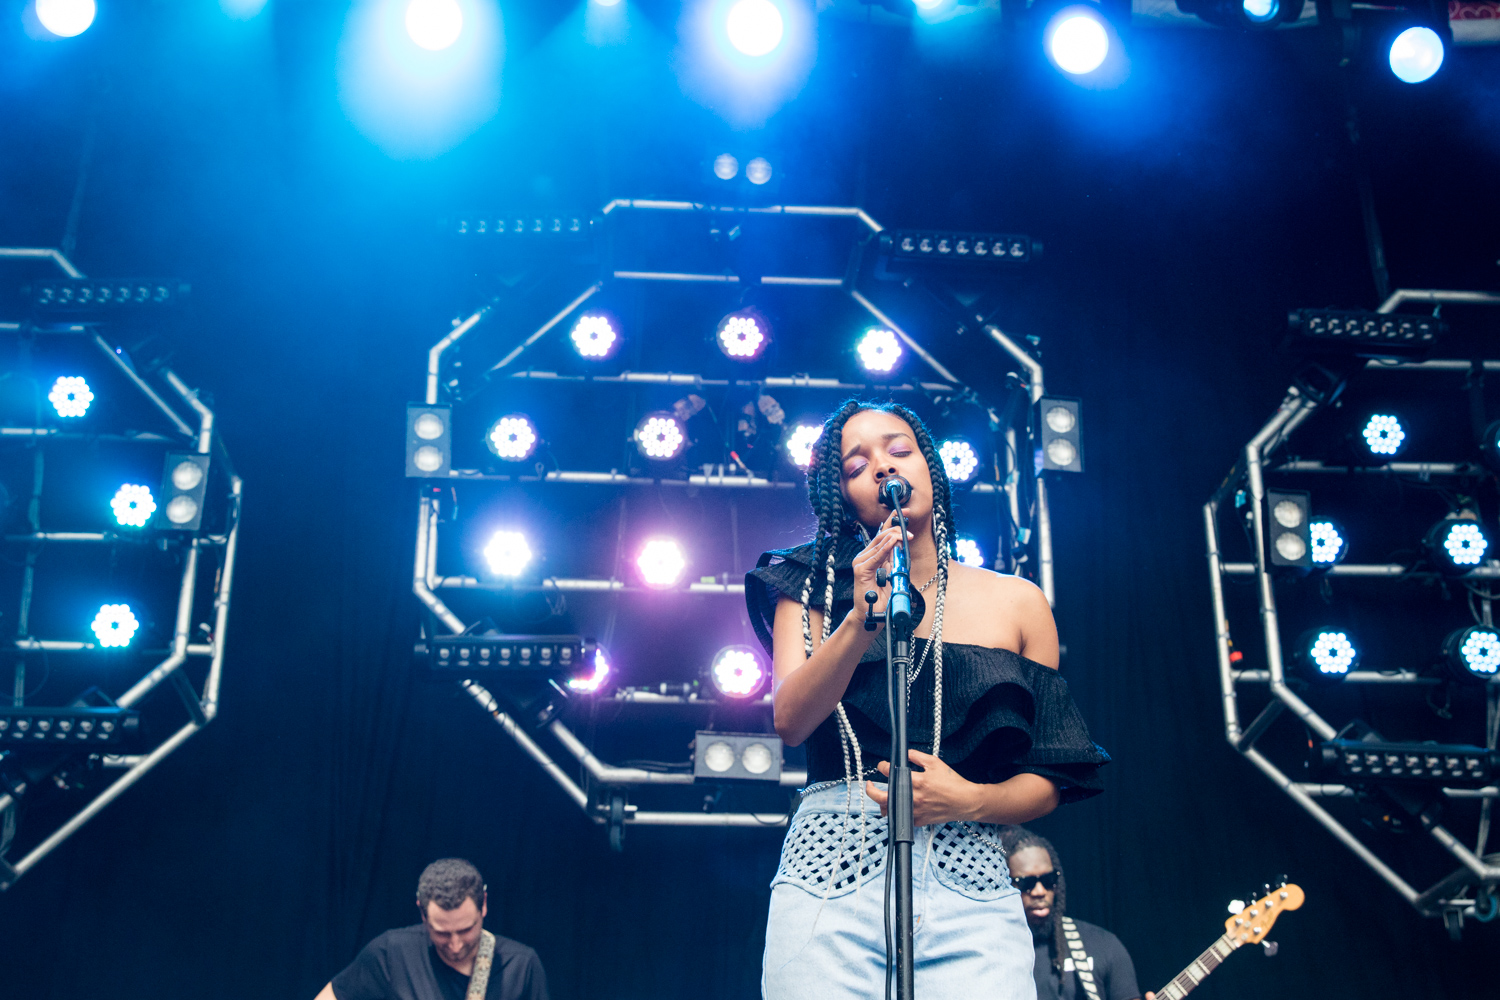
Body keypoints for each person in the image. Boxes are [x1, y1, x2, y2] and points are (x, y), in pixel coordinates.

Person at [745, 399, 1110, 999]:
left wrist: (970, 798)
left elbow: (1050, 776)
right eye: (856, 466)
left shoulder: (1018, 602)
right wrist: (860, 617)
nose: (883, 468)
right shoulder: (810, 585)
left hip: (971, 879)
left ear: (931, 469)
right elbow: (791, 720)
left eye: (899, 450)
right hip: (833, 870)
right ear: (842, 497)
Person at [315, 858, 549, 1000]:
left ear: (484, 905)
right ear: (422, 913)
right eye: (442, 933)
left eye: (466, 930)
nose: (455, 945)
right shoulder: (391, 953)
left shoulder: (521, 966)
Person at [1000, 827, 1150, 1000]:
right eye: (1026, 883)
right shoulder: (993, 952)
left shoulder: (1102, 944)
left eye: (1048, 880)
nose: (1039, 891)